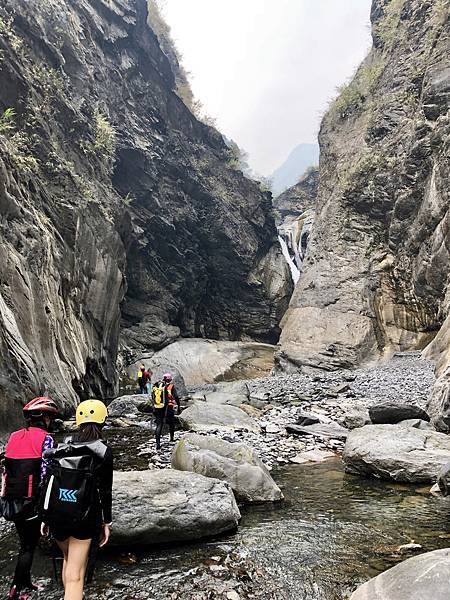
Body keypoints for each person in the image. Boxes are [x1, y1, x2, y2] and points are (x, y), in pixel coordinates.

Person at [41, 400, 113, 600]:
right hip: (84, 517)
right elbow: (105, 490)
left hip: (56, 513)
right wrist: (106, 521)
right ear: (102, 421)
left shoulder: (64, 445)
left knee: (68, 560)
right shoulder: (102, 451)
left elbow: (48, 481)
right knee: (75, 576)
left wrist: (45, 517)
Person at [0, 396, 58, 600]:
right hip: (31, 501)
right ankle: (16, 589)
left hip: (11, 500)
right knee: (28, 546)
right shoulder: (46, 439)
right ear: (45, 419)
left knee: (24, 542)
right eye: (50, 417)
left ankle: (24, 582)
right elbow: (46, 473)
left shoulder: (14, 436)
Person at [152, 373, 181, 450]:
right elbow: (176, 397)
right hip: (168, 407)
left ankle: (158, 444)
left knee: (159, 425)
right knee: (171, 423)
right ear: (170, 379)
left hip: (158, 407)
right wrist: (178, 406)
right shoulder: (171, 386)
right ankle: (171, 438)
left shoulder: (158, 386)